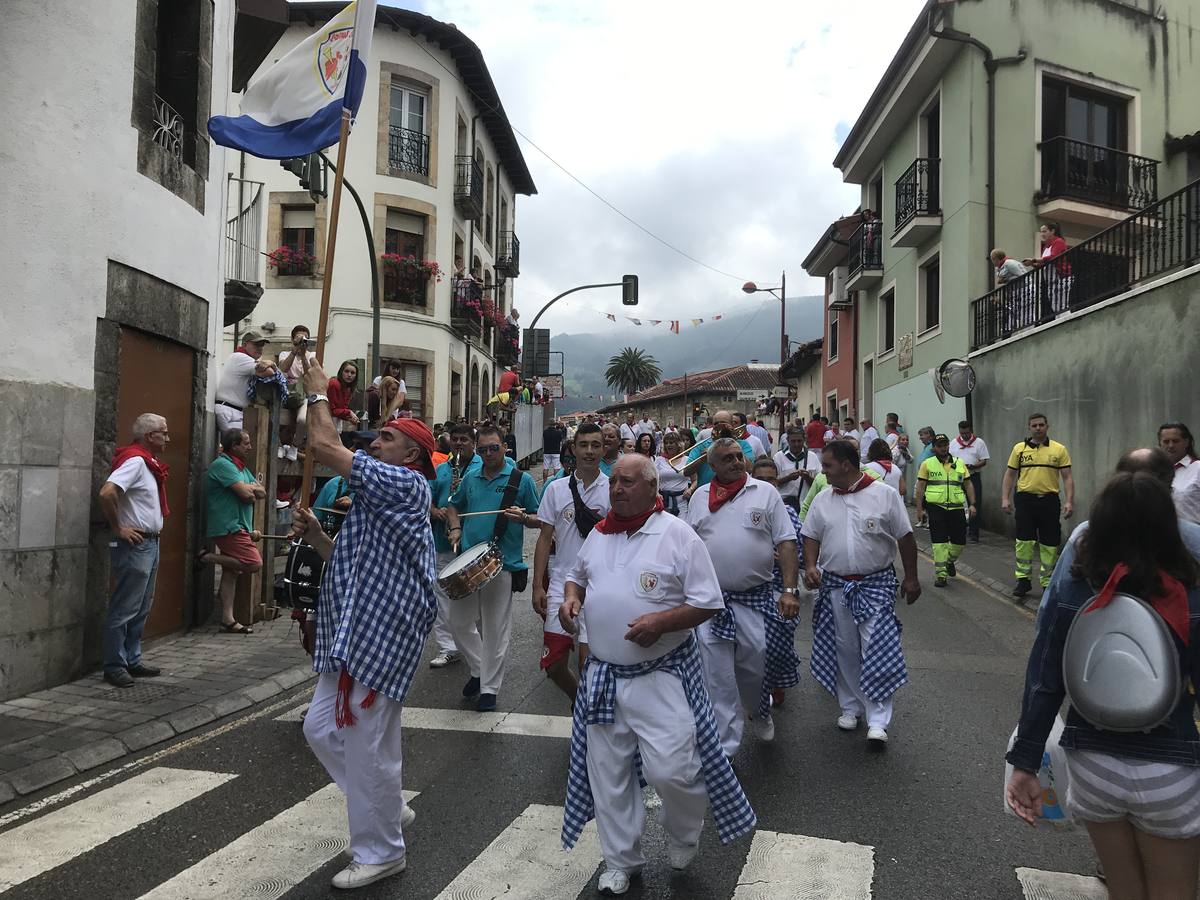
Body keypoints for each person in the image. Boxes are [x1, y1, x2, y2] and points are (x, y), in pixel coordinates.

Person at [559, 455, 755, 894]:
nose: (617, 490)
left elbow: (708, 602)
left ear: (652, 487)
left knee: (674, 771)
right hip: (604, 677)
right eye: (614, 483)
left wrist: (661, 623)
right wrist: (571, 599)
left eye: (627, 482)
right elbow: (576, 576)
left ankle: (684, 830)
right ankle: (621, 862)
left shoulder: (678, 536)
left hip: (660, 675)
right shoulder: (599, 534)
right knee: (607, 774)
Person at [1005, 471, 1200, 900]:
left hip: (1092, 764)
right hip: (1171, 765)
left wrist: (1025, 761)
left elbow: (1044, 676)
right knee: (1175, 889)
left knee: (1125, 888)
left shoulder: (1077, 585)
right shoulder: (1190, 589)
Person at [290, 359, 437, 890]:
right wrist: (315, 538)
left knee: (366, 741)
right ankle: (387, 805)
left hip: (383, 632)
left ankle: (380, 851)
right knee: (321, 728)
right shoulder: (377, 496)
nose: (374, 443)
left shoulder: (407, 486)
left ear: (412, 455)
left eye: (387, 437)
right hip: (351, 630)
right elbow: (353, 563)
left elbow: (327, 448)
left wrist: (316, 394)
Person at [802, 440, 921, 746]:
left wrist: (911, 578)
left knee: (877, 648)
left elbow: (905, 538)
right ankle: (850, 708)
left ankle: (878, 719)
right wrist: (812, 566)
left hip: (876, 585)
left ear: (846, 464)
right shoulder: (823, 499)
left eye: (827, 465)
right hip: (836, 586)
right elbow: (811, 535)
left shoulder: (884, 495)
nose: (823, 471)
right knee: (845, 648)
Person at [688, 439, 800, 756]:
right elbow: (687, 547)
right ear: (713, 466)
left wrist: (790, 591)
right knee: (717, 676)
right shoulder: (698, 498)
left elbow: (787, 541)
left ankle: (759, 709)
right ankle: (727, 748)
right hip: (711, 604)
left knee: (754, 668)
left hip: (755, 599)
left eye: (739, 456)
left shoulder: (765, 493)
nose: (737, 462)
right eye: (728, 458)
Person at [444, 425, 541, 712]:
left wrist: (524, 517)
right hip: (468, 560)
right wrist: (455, 528)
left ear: (504, 447)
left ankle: (489, 689)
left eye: (493, 448)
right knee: (458, 623)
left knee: (496, 629)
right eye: (483, 449)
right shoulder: (471, 478)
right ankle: (478, 669)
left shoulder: (520, 480)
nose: (488, 454)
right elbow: (453, 506)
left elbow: (539, 518)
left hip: (502, 562)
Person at [533, 424, 608, 704]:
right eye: (584, 444)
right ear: (573, 449)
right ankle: (581, 706)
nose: (589, 451)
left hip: (599, 587)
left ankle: (588, 724)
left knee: (588, 665)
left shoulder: (613, 489)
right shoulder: (555, 490)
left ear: (603, 449)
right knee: (553, 666)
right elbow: (544, 538)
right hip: (560, 585)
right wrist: (537, 585)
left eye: (596, 445)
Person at [98, 413, 170, 688]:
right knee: (125, 607)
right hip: (136, 544)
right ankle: (114, 665)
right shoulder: (136, 461)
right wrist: (119, 528)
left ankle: (131, 658)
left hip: (150, 542)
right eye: (163, 432)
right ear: (149, 436)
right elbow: (107, 493)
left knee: (140, 606)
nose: (167, 437)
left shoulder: (147, 463)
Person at [749, 456, 805, 709]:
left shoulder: (788, 511)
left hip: (780, 587)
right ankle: (758, 691)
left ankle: (776, 682)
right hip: (750, 590)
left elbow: (801, 552)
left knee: (777, 643)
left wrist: (783, 558)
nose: (766, 484)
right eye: (759, 480)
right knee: (754, 647)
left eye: (771, 479)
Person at [427, 424, 483, 669]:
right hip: (442, 540)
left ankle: (476, 644)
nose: (459, 444)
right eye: (456, 440)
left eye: (464, 440)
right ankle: (447, 647)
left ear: (473, 443)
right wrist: (435, 511)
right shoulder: (440, 470)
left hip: (471, 542)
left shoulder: (482, 468)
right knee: (442, 596)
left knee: (475, 597)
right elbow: (425, 499)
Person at [1001, 413, 1074, 597]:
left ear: (1047, 426)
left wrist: (1069, 501)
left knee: (1050, 542)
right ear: (1029, 427)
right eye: (1034, 425)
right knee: (1024, 541)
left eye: (1041, 425)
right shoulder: (1019, 449)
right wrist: (1005, 498)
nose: (1038, 428)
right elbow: (1010, 475)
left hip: (1049, 501)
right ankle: (1023, 581)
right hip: (1025, 500)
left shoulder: (1059, 449)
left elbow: (1067, 477)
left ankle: (1047, 581)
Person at [200, 428, 265, 634]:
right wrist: (250, 489)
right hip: (228, 525)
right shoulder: (223, 465)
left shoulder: (241, 468)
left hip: (240, 524)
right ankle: (206, 557)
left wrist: (250, 489)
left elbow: (261, 491)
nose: (250, 447)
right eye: (245, 443)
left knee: (231, 572)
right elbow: (247, 495)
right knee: (253, 563)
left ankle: (227, 619)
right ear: (234, 445)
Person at [915, 434, 976, 588]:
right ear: (934, 447)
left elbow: (968, 485)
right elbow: (920, 488)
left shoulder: (959, 463)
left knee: (959, 542)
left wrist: (972, 504)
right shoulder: (927, 464)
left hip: (956, 507)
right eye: (940, 445)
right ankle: (941, 575)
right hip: (936, 507)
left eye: (945, 444)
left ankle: (949, 562)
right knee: (939, 542)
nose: (943, 448)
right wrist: (919, 509)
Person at [681, 410, 755, 498]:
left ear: (731, 424)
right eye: (716, 424)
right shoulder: (701, 445)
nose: (720, 426)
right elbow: (686, 472)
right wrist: (701, 459)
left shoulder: (743, 444)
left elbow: (750, 469)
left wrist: (733, 442)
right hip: (706, 494)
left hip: (737, 495)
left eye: (723, 423)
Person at [215, 331, 269, 433]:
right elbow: (268, 372)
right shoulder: (241, 357)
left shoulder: (238, 357)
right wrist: (270, 363)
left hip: (231, 410)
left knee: (244, 443)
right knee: (248, 440)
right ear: (245, 344)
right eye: (256, 344)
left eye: (262, 345)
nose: (260, 348)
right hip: (230, 411)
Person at [277, 325, 317, 451]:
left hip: (304, 395)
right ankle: (279, 446)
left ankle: (295, 445)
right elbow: (283, 369)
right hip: (286, 394)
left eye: (305, 338)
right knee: (276, 419)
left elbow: (309, 375)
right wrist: (294, 351)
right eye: (299, 338)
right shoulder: (285, 354)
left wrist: (304, 355)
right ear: (292, 339)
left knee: (302, 419)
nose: (302, 341)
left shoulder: (312, 355)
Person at [949, 420, 990, 542]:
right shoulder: (954, 443)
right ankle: (960, 530)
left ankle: (974, 533)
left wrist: (973, 466)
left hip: (973, 476)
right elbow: (950, 459)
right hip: (958, 477)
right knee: (957, 503)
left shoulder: (979, 442)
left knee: (975, 503)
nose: (964, 436)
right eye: (962, 433)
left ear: (970, 430)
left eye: (966, 433)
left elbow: (984, 460)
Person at [1023, 222, 1072, 314]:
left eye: (1045, 231)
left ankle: (1064, 320)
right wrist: (1033, 264)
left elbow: (1053, 257)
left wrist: (1034, 260)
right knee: (1056, 305)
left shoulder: (1059, 242)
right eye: (1041, 232)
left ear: (1052, 231)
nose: (1042, 234)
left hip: (1061, 278)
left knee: (1061, 304)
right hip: (1052, 280)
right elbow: (1045, 262)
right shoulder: (1047, 246)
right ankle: (1061, 321)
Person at [1160, 422, 1200, 523]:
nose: (1170, 445)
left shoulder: (1198, 468)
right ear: (1160, 444)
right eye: (1166, 441)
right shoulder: (1154, 472)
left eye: (1175, 441)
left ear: (1186, 442)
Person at [655, 431, 691, 518]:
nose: (668, 445)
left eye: (671, 443)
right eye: (666, 443)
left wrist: (690, 489)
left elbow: (695, 479)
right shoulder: (659, 460)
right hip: (663, 501)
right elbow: (652, 479)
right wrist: (656, 493)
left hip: (681, 501)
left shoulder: (687, 460)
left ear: (678, 444)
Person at [773, 426, 808, 511]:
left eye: (799, 441)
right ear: (788, 441)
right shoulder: (778, 457)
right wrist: (789, 478)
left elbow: (819, 483)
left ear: (804, 440)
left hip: (806, 504)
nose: (796, 444)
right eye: (793, 441)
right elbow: (773, 482)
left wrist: (807, 477)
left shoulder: (812, 456)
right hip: (784, 503)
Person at [327, 360, 361, 432]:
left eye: (352, 373)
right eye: (346, 371)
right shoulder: (334, 383)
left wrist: (349, 418)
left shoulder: (348, 388)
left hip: (335, 423)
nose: (349, 375)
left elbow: (341, 410)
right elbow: (331, 410)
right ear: (341, 372)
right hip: (327, 422)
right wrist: (349, 412)